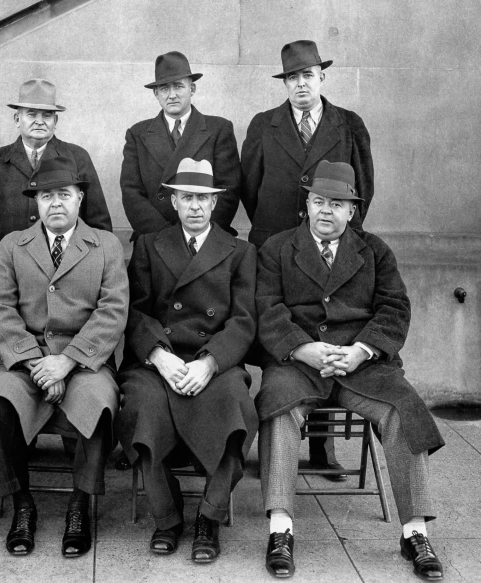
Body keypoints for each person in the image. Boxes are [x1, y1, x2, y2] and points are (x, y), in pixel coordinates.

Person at [255, 160, 444, 580]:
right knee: (278, 408)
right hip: (299, 365)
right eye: (319, 201)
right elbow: (266, 310)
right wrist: (302, 348)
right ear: (306, 203)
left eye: (337, 203)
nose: (326, 210)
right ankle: (280, 527)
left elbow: (395, 308)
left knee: (402, 408)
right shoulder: (277, 248)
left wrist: (362, 349)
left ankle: (415, 532)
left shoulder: (374, 250)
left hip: (362, 367)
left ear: (352, 211)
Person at [0, 155, 128, 558]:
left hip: (84, 362)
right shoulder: (13, 245)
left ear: (80, 198)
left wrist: (68, 361)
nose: (55, 203)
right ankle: (22, 504)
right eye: (46, 196)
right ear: (36, 203)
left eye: (64, 194)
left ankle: (79, 504)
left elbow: (112, 312)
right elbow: (1, 310)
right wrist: (35, 362)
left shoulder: (106, 245)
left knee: (99, 405)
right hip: (27, 360)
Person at [241, 39, 375, 478]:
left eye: (308, 75)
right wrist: (277, 235)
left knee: (329, 329)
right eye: (292, 77)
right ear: (286, 83)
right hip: (277, 247)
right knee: (280, 341)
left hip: (330, 250)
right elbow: (250, 185)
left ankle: (323, 447)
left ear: (322, 77)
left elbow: (363, 189)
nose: (300, 84)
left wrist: (337, 238)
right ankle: (278, 436)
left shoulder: (348, 125)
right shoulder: (265, 124)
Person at [116, 158, 259, 563]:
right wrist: (158, 356)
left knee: (237, 410)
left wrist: (210, 362)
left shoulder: (240, 251)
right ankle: (167, 517)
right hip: (158, 359)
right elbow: (136, 311)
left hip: (214, 360)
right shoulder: (149, 245)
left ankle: (209, 518)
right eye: (187, 198)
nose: (195, 206)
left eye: (203, 198)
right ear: (174, 201)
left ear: (215, 204)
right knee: (143, 409)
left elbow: (244, 321)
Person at [0, 78, 112, 256]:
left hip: (66, 265)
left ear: (55, 120)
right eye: (31, 114)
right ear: (17, 119)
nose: (39, 121)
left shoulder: (77, 157)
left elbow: (98, 222)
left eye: (47, 115)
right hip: (10, 267)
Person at [121, 51, 241, 241]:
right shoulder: (137, 134)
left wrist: (199, 236)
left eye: (178, 86)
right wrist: (165, 238)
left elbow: (229, 189)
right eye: (164, 89)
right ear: (156, 93)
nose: (172, 95)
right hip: (154, 239)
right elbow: (131, 193)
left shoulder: (219, 129)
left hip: (206, 239)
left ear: (192, 89)